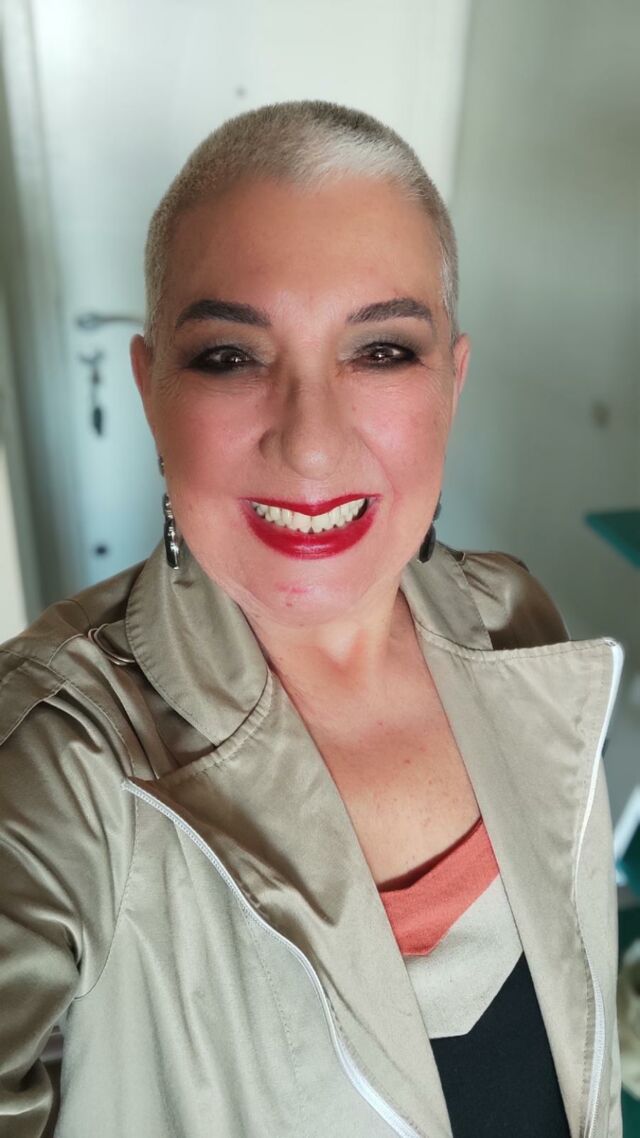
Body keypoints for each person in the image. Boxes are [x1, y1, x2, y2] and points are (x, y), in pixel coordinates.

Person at [0, 100, 624, 1138]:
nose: (312, 443)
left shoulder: (514, 620)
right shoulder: (54, 758)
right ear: (152, 390)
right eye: (230, 356)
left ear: (452, 381)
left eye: (381, 352)